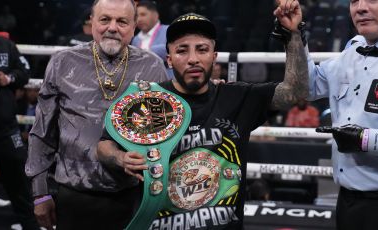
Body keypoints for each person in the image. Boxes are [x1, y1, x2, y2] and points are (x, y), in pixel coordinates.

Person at [97, 7, 308, 229]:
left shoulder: (237, 97)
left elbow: (297, 92)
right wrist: (121, 159)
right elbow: (104, 145)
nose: (193, 59)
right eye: (182, 51)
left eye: (202, 49)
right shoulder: (149, 101)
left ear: (214, 57)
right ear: (169, 60)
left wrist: (293, 34)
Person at [24, 0, 168, 229]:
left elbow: (162, 133)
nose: (112, 27)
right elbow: (42, 132)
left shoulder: (152, 66)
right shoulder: (63, 62)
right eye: (105, 19)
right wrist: (40, 193)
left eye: (122, 21)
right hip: (73, 196)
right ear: (92, 23)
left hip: (132, 195)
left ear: (133, 27)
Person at [276, 0, 378, 229]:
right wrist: (294, 37)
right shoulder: (352, 52)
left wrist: (365, 139)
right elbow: (304, 88)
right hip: (348, 203)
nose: (360, 8)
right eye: (354, 1)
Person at [0, 7, 40, 230]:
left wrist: (7, 78)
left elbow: (24, 72)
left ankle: (31, 226)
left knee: (19, 187)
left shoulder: (6, 46)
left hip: (5, 129)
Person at [131, 0, 173, 78]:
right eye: (136, 16)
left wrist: (144, 51)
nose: (139, 19)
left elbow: (172, 49)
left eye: (143, 14)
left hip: (167, 80)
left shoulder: (168, 30)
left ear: (155, 15)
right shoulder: (135, 39)